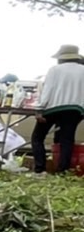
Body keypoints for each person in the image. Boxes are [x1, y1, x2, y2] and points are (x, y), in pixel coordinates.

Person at [33, 44, 84, 174]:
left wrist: (39, 109)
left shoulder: (54, 70)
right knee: (67, 140)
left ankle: (40, 168)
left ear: (61, 57)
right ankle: (63, 171)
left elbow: (47, 90)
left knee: (38, 137)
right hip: (75, 110)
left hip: (53, 108)